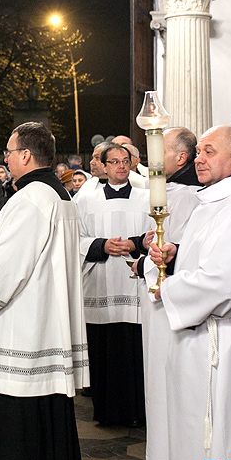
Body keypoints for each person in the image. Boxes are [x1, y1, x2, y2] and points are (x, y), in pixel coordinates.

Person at [0, 121, 89, 460]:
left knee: (18, 420)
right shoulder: (61, 195)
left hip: (25, 330)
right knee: (47, 414)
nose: (6, 157)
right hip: (49, 324)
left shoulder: (30, 198)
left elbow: (7, 268)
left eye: (10, 151)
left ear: (26, 156)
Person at [145, 125, 231, 460]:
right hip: (198, 342)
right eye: (198, 151)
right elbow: (206, 261)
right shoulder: (213, 201)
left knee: (222, 440)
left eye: (209, 152)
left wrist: (167, 288)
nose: (198, 158)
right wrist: (175, 255)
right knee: (193, 442)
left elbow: (225, 282)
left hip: (224, 347)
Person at [132, 126, 202, 460]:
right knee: (157, 397)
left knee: (173, 395)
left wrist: (168, 256)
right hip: (158, 303)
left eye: (161, 151)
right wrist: (149, 249)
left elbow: (192, 252)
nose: (152, 159)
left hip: (177, 308)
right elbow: (158, 240)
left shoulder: (196, 196)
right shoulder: (162, 191)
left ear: (181, 157)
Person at [74, 143, 151, 427]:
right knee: (105, 351)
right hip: (101, 283)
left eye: (125, 161)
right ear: (103, 167)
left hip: (135, 286)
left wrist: (136, 242)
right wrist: (101, 245)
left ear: (131, 164)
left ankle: (139, 413)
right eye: (114, 161)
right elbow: (75, 238)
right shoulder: (85, 201)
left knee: (136, 350)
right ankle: (106, 412)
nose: (120, 166)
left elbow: (157, 233)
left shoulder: (147, 197)